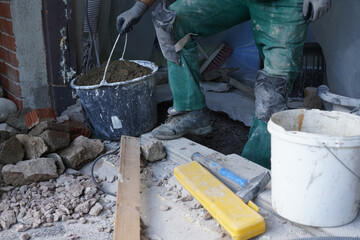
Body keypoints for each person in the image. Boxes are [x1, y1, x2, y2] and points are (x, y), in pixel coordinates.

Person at [116, 0, 331, 168]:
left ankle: (254, 167)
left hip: (284, 4)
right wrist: (139, 7)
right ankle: (191, 112)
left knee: (272, 91)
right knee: (170, 22)